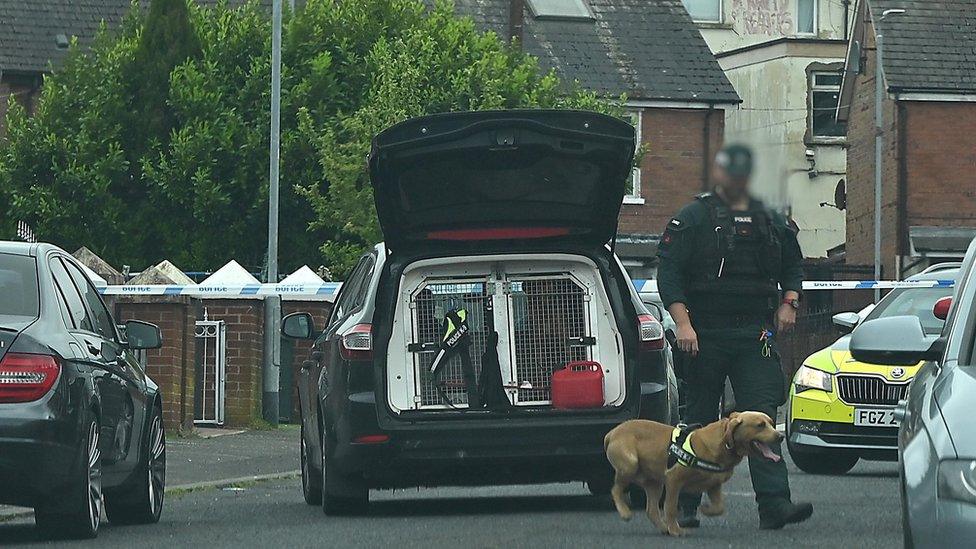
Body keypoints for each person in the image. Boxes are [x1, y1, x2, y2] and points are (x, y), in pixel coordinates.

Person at [656, 144, 813, 530]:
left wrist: (789, 302)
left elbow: (793, 263)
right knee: (697, 421)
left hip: (754, 334)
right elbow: (669, 273)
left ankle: (775, 505)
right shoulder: (694, 217)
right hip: (704, 333)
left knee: (763, 422)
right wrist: (683, 324)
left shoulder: (770, 219)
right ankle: (686, 504)